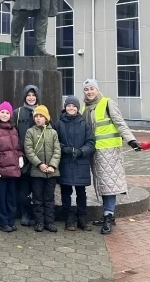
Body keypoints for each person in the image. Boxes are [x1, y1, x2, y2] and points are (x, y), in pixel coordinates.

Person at [81, 78, 141, 235]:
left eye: (92, 88)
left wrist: (131, 140)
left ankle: (108, 216)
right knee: (101, 183)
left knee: (109, 184)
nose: (89, 92)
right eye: (86, 89)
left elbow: (120, 123)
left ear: (97, 90)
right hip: (94, 151)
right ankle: (108, 213)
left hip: (109, 150)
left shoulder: (107, 103)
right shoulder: (84, 108)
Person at [55, 95, 95, 231]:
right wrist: (63, 148)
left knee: (81, 192)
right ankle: (68, 218)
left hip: (81, 163)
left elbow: (91, 142)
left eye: (73, 106)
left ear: (77, 108)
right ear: (65, 107)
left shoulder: (84, 125)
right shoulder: (59, 124)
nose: (71, 108)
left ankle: (82, 217)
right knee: (66, 192)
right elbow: (54, 140)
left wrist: (81, 151)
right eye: (68, 106)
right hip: (65, 162)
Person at [0, 101, 23, 233]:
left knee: (11, 197)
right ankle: (1, 222)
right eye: (2, 112)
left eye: (7, 112)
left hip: (12, 170)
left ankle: (10, 220)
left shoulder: (13, 130)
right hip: (0, 171)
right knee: (0, 198)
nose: (5, 115)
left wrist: (20, 157)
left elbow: (17, 147)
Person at [24, 104, 60, 232]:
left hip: (51, 172)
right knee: (37, 198)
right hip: (37, 172)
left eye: (41, 116)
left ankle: (49, 222)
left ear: (46, 118)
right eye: (36, 116)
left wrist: (52, 165)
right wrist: (39, 164)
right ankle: (39, 221)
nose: (38, 118)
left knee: (49, 198)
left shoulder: (53, 132)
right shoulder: (30, 132)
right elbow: (29, 150)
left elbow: (57, 150)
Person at [13, 84, 39, 226]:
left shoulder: (42, 111)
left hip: (38, 157)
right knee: (23, 190)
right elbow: (13, 134)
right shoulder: (17, 113)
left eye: (33, 95)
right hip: (22, 157)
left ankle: (38, 215)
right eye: (28, 95)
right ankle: (25, 212)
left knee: (37, 189)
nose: (31, 98)